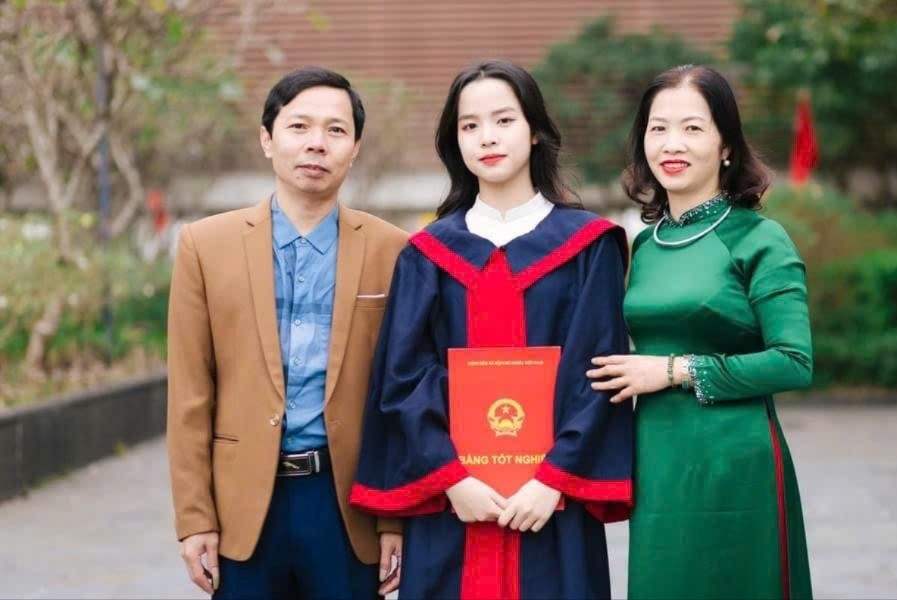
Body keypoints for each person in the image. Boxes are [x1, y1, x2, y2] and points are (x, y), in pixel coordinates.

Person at [349, 59, 634, 600]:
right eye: (469, 125)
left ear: (535, 130)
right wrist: (452, 478)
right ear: (454, 141)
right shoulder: (428, 254)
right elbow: (402, 378)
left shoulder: (588, 247)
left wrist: (552, 480)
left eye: (504, 120)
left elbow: (598, 374)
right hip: (452, 506)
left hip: (552, 506)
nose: (487, 137)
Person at [166, 66, 407, 599]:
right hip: (242, 505)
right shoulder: (205, 245)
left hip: (348, 505)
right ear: (267, 139)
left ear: (355, 148)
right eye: (299, 126)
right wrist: (194, 518)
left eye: (336, 130)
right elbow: (189, 394)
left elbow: (399, 394)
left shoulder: (393, 250)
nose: (317, 143)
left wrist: (395, 517)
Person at [587, 65, 813, 599]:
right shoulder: (645, 245)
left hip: (735, 462)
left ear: (726, 145)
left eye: (692, 128)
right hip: (659, 460)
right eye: (658, 128)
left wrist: (674, 370)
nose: (673, 144)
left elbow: (793, 361)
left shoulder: (760, 238)